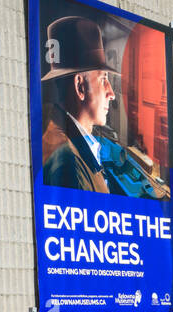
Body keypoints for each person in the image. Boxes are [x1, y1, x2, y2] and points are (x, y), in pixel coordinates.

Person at [40, 17, 120, 192]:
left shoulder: (51, 122)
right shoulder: (69, 164)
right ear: (80, 86)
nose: (111, 93)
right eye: (103, 79)